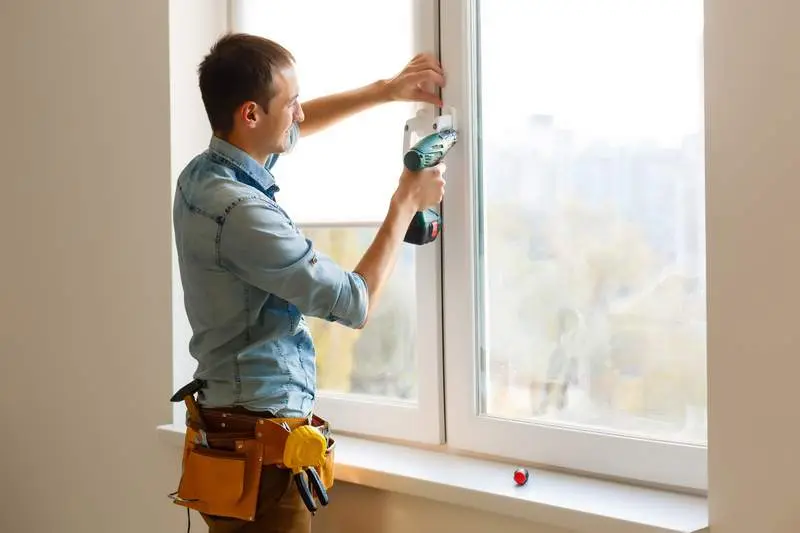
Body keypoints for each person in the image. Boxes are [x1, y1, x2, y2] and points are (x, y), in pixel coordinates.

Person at [170, 32, 447, 533]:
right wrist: (405, 202)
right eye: (291, 103)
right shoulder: (242, 213)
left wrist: (386, 90)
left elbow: (296, 127)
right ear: (250, 114)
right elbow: (354, 302)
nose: (300, 114)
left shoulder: (203, 175)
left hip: (229, 434)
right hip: (264, 459)